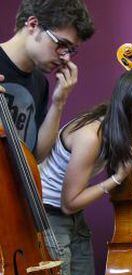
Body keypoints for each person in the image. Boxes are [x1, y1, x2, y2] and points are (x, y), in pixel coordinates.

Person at [39, 71, 132, 275]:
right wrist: (117, 178)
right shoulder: (92, 136)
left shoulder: (117, 127)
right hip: (50, 218)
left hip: (73, 219)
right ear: (126, 108)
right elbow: (69, 202)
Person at [0, 0, 94, 161]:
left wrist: (59, 102)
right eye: (62, 44)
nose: (66, 57)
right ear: (33, 24)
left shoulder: (40, 83)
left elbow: (36, 156)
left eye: (70, 50)